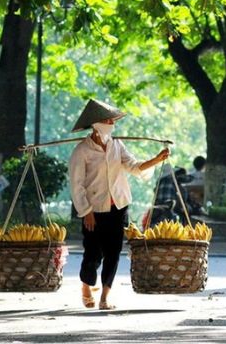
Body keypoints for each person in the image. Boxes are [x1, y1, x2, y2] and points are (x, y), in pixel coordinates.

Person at [67, 99, 169, 310]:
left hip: (118, 205)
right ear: (95, 124)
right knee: (93, 252)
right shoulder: (82, 151)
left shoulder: (117, 145)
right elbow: (77, 185)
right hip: (94, 208)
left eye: (112, 120)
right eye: (107, 120)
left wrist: (157, 159)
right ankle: (86, 285)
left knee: (113, 251)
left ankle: (105, 296)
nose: (111, 123)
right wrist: (85, 211)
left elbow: (134, 166)